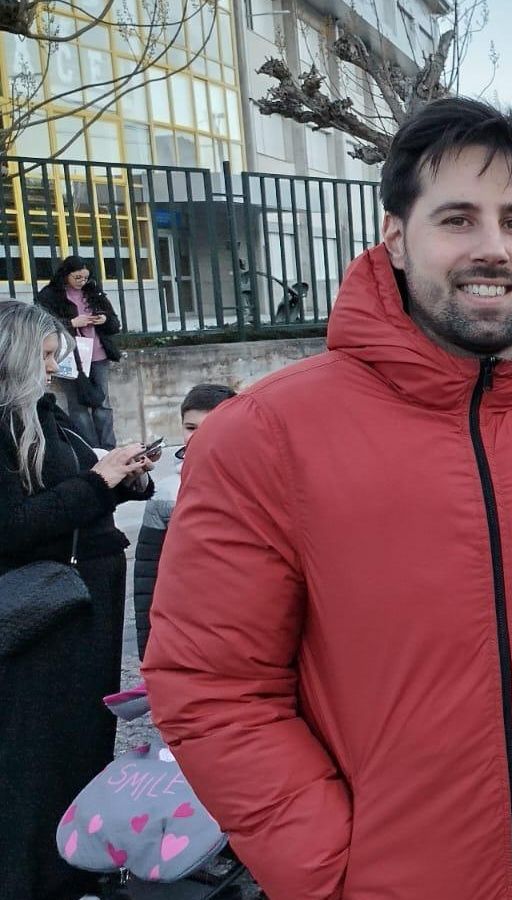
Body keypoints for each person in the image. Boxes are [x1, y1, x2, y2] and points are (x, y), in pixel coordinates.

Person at [141, 97, 512, 900]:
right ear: (397, 238)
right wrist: (332, 868)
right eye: (457, 219)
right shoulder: (266, 434)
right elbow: (213, 684)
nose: (491, 248)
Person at [0, 299, 156, 900]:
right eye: (41, 357)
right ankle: (32, 874)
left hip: (85, 600)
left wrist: (122, 479)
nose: (52, 367)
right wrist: (98, 482)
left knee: (83, 738)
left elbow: (70, 499)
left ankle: (73, 863)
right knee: (35, 750)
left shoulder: (47, 414)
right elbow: (15, 524)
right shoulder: (7, 425)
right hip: (42, 608)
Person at [131, 382, 236, 660]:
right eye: (191, 428)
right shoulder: (166, 493)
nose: (198, 437)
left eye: (212, 426)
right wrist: (148, 647)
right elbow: (147, 576)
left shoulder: (257, 484)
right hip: (186, 632)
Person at [36, 255, 122, 448]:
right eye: (77, 278)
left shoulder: (93, 291)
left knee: (103, 403)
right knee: (77, 405)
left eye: (85, 278)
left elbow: (115, 323)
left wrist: (104, 319)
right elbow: (42, 325)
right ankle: (90, 449)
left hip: (98, 354)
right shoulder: (50, 295)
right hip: (69, 356)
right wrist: (72, 323)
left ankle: (108, 447)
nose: (82, 282)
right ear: (66, 275)